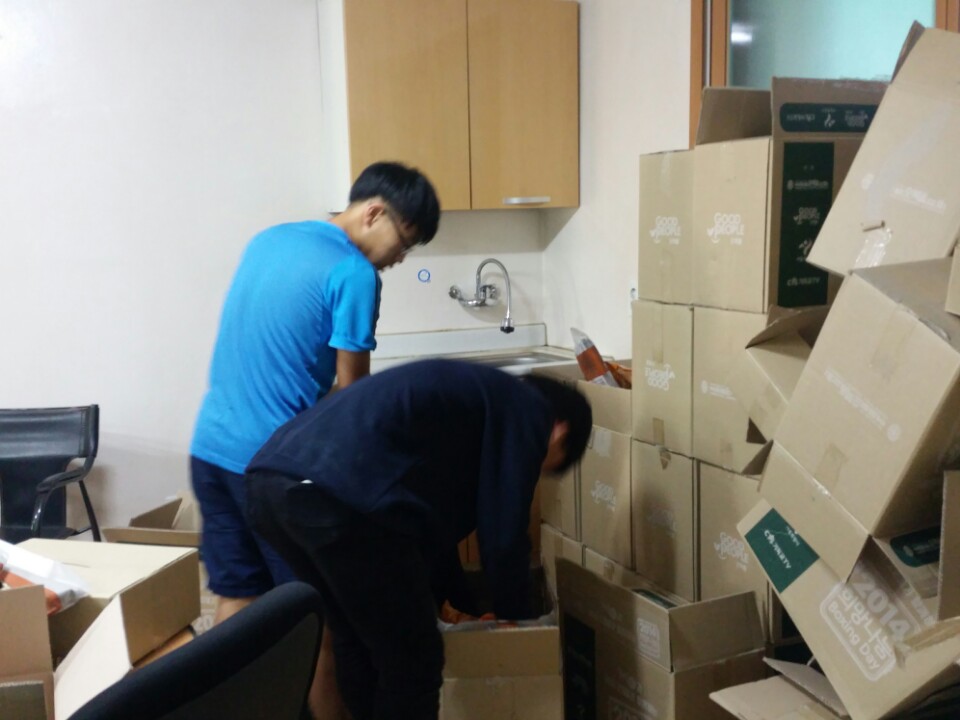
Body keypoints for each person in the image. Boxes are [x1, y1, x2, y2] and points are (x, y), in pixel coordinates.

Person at [190, 162, 440, 718]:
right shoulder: (355, 274)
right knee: (315, 626)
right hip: (271, 470)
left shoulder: (271, 239)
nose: (400, 258)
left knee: (238, 600)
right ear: (374, 213)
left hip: (210, 448)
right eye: (403, 242)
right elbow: (355, 401)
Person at [244, 359, 593, 720]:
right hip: (338, 498)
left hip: (271, 484)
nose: (532, 471)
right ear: (560, 432)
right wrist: (518, 628)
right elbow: (504, 538)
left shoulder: (477, 403)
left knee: (357, 641)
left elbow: (431, 541)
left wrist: (462, 604)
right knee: (413, 660)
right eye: (545, 466)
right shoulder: (529, 410)